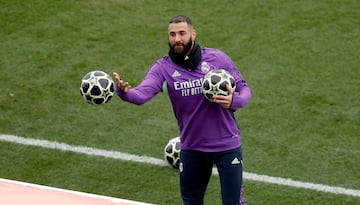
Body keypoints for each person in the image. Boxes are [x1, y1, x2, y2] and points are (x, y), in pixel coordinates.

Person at [113, 15, 251, 205]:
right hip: (193, 149)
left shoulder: (217, 58)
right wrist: (123, 92)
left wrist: (233, 101)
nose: (177, 39)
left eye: (181, 33)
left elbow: (245, 90)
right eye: (172, 34)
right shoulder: (162, 68)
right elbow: (141, 96)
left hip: (228, 147)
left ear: (193, 34)